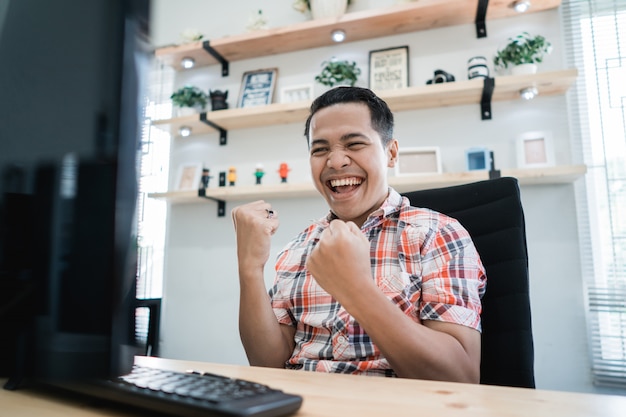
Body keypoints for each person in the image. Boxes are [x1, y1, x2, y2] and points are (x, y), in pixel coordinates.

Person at [231, 86, 486, 382]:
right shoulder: (298, 248)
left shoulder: (438, 234)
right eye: (320, 149)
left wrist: (355, 288)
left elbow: (460, 378)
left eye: (353, 144)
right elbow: (268, 366)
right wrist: (250, 268)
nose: (335, 161)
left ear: (391, 154)